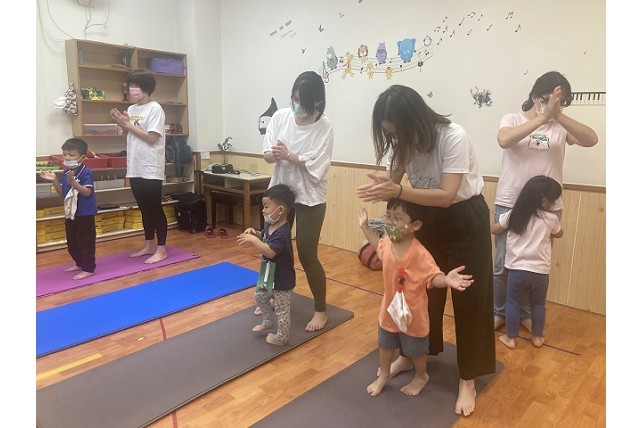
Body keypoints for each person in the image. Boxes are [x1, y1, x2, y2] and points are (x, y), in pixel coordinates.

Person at [356, 84, 495, 416]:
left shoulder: (453, 137)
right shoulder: (403, 142)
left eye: (396, 132)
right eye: (389, 134)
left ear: (413, 121)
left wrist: (398, 190)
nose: (394, 138)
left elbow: (446, 195)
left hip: (464, 217)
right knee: (417, 291)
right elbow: (393, 182)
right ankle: (413, 354)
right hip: (426, 216)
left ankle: (468, 377)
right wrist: (385, 185)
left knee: (468, 295)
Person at [493, 71, 598, 331]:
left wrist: (557, 116)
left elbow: (591, 139)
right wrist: (542, 118)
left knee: (534, 266)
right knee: (503, 264)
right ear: (534, 97)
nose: (553, 105)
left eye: (560, 102)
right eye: (548, 100)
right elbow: (504, 140)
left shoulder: (561, 125)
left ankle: (525, 314)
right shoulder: (513, 119)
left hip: (548, 207)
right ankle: (499, 311)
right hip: (511, 202)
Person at [359, 199, 472, 397]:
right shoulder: (387, 244)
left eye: (398, 218)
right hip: (389, 310)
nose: (391, 222)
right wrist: (365, 227)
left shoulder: (420, 253)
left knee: (417, 351)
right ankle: (384, 374)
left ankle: (421, 376)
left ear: (415, 225)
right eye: (388, 217)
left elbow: (433, 276)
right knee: (385, 344)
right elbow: (377, 245)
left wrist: (446, 279)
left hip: (414, 314)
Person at [262, 71, 334, 332]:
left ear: (317, 101)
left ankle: (321, 310)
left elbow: (317, 165)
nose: (297, 104)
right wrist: (274, 155)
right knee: (270, 249)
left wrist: (289, 154)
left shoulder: (324, 126)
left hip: (310, 195)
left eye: (302, 100)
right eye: (294, 98)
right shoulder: (281, 117)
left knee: (306, 253)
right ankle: (267, 297)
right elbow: (267, 154)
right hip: (281, 193)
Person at [491, 176, 564, 349]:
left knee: (513, 303)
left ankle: (510, 338)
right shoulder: (551, 219)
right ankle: (537, 337)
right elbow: (559, 234)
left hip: (517, 271)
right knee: (538, 305)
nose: (556, 203)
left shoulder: (514, 215)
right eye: (554, 200)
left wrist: (501, 225)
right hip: (541, 273)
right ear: (544, 202)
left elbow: (494, 230)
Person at [111, 69, 168, 264]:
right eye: (130, 85)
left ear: (146, 87)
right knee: (143, 208)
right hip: (135, 165)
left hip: (151, 165)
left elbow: (152, 138)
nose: (132, 89)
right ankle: (149, 245)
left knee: (154, 207)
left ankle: (161, 249)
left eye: (136, 85)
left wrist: (129, 126)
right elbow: (130, 133)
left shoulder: (155, 108)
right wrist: (122, 124)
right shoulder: (132, 109)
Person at [237, 184, 297, 346]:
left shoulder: (282, 232)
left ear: (280, 210)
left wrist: (253, 241)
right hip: (268, 273)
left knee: (282, 310)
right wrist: (255, 233)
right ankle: (268, 320)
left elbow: (270, 252)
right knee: (260, 296)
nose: (263, 210)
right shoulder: (271, 226)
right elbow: (264, 237)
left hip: (282, 278)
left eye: (266, 207)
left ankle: (282, 338)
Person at [39, 138, 97, 280]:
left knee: (85, 242)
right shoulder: (65, 173)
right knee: (72, 242)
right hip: (71, 213)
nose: (67, 158)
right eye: (65, 155)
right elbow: (63, 193)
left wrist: (73, 183)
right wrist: (54, 180)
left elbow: (87, 192)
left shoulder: (86, 172)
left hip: (85, 213)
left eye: (71, 155)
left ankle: (89, 268)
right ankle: (79, 263)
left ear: (82, 157)